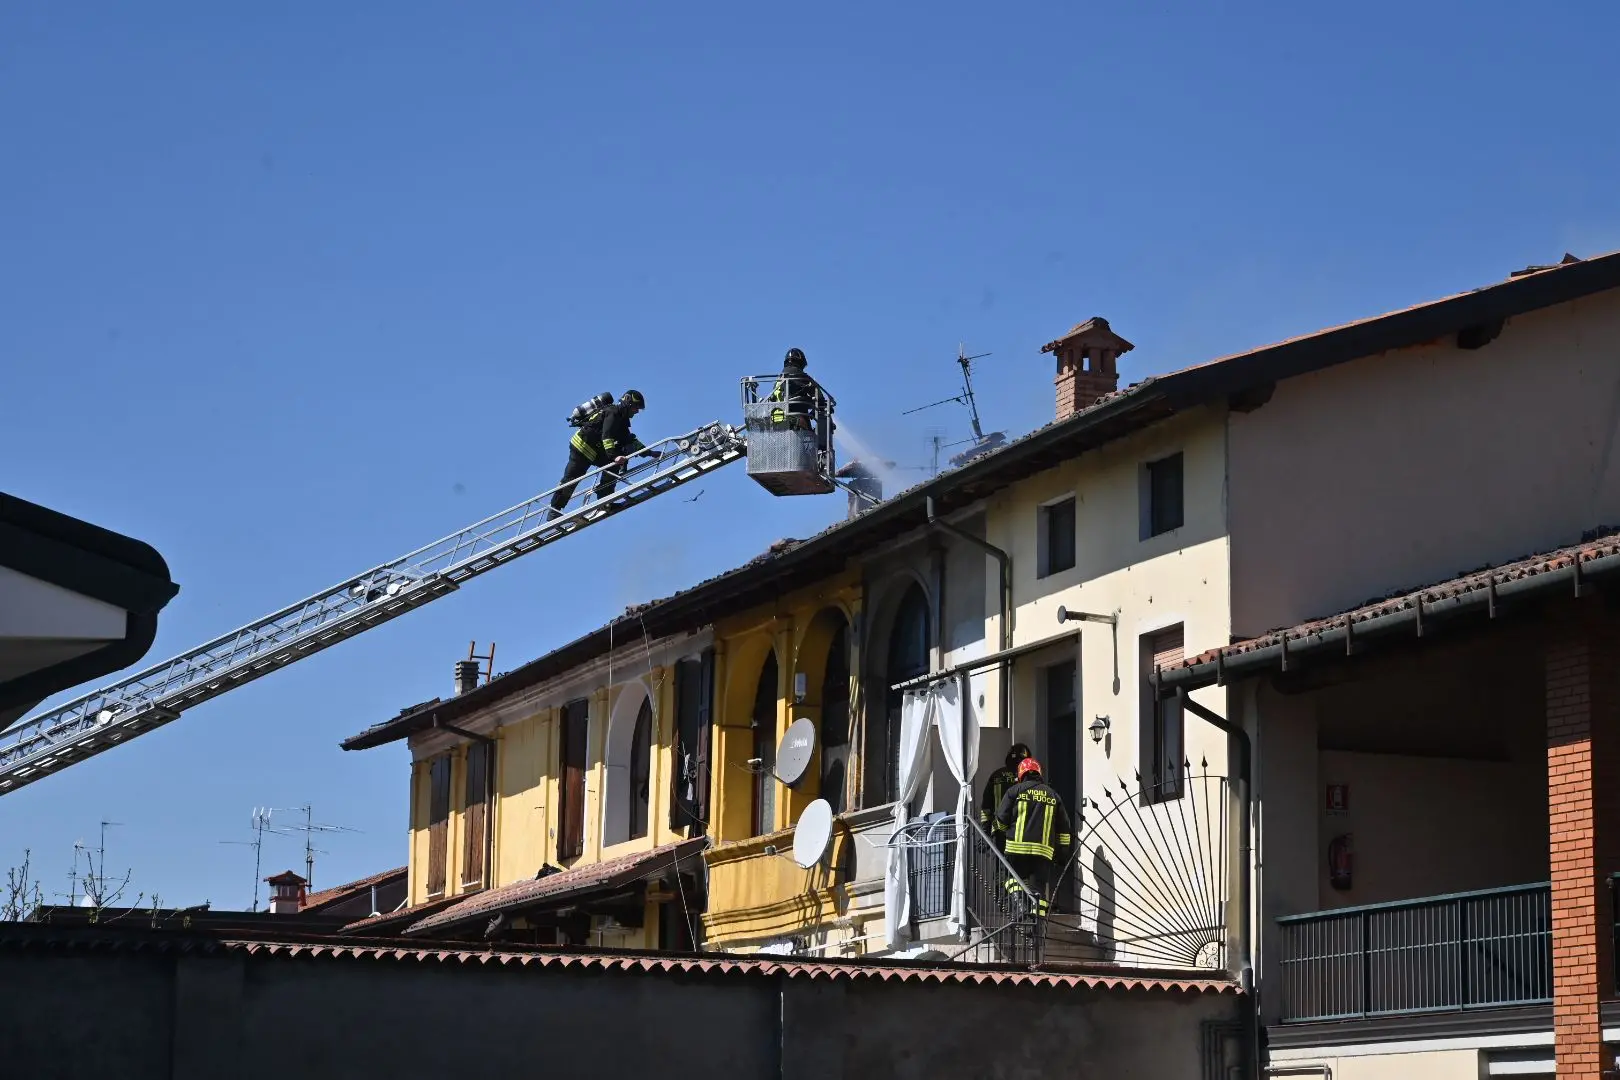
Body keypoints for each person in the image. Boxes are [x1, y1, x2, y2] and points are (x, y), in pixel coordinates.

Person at [547, 390, 655, 519]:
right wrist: (614, 456)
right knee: (572, 479)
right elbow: (607, 437)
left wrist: (649, 452)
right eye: (636, 407)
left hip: (595, 450)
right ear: (627, 403)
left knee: (613, 466)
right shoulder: (612, 412)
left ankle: (604, 502)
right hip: (582, 447)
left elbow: (629, 440)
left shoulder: (622, 420)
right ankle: (554, 510)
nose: (636, 411)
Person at [994, 756, 1074, 918]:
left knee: (1010, 877)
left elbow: (1001, 820)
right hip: (1043, 852)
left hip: (1016, 849)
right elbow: (1065, 829)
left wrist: (1002, 833)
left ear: (1021, 775)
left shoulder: (1014, 791)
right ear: (1039, 773)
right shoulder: (1053, 795)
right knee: (1038, 887)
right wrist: (1062, 854)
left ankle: (1020, 905)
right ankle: (1037, 925)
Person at [979, 743, 1032, 848]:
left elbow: (986, 806)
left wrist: (986, 831)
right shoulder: (1029, 777)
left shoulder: (996, 775)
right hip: (1024, 829)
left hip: (1000, 829)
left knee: (1002, 860)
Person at [768, 348, 813, 430]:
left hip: (778, 417)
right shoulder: (803, 377)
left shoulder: (779, 379)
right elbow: (817, 393)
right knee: (810, 434)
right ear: (801, 362)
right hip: (795, 417)